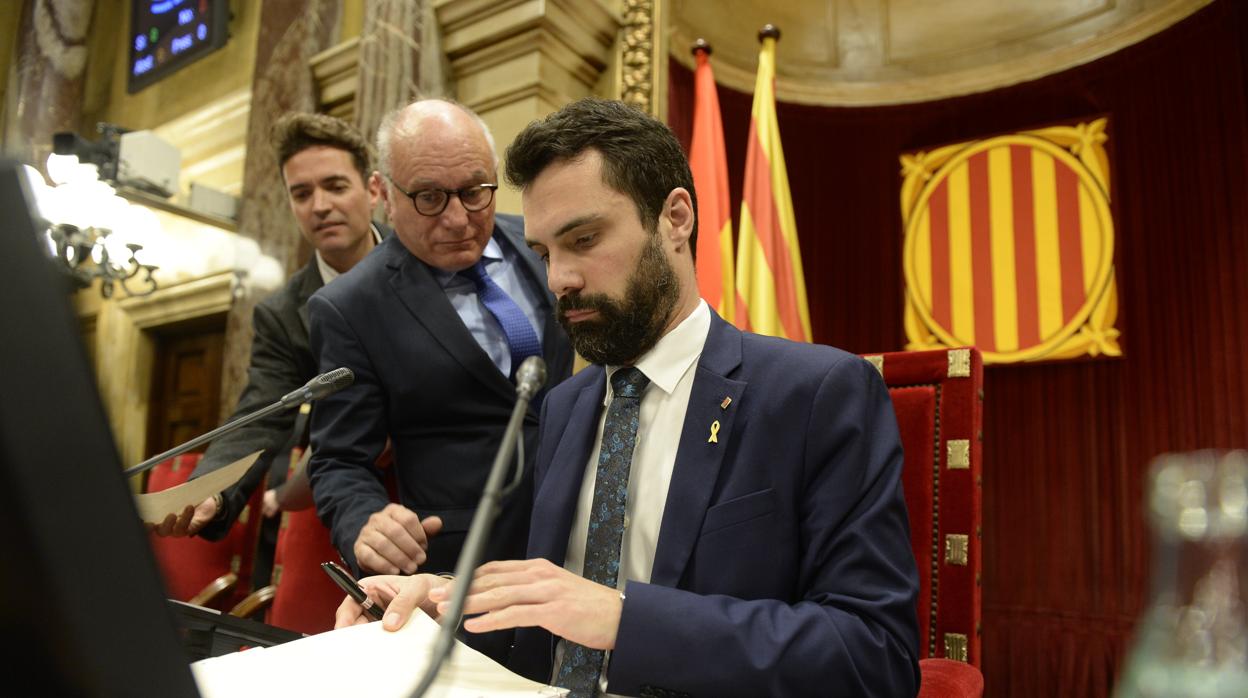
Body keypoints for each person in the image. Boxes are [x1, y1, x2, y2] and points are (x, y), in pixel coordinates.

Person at [338, 98, 921, 697]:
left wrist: (623, 619)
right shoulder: (563, 405)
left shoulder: (816, 395)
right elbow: (547, 625)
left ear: (675, 218)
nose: (560, 278)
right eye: (544, 254)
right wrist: (443, 606)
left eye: (584, 239)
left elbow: (874, 654)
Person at [306, 98, 573, 582]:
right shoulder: (349, 307)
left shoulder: (545, 244)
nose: (457, 219)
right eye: (428, 198)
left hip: (582, 535)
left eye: (475, 191)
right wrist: (365, 522)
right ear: (383, 193)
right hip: (466, 566)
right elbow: (340, 460)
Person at [150, 113, 387, 567]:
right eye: (302, 194)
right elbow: (259, 416)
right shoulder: (281, 314)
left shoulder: (422, 261)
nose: (319, 205)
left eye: (335, 186)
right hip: (351, 502)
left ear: (373, 190)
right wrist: (211, 493)